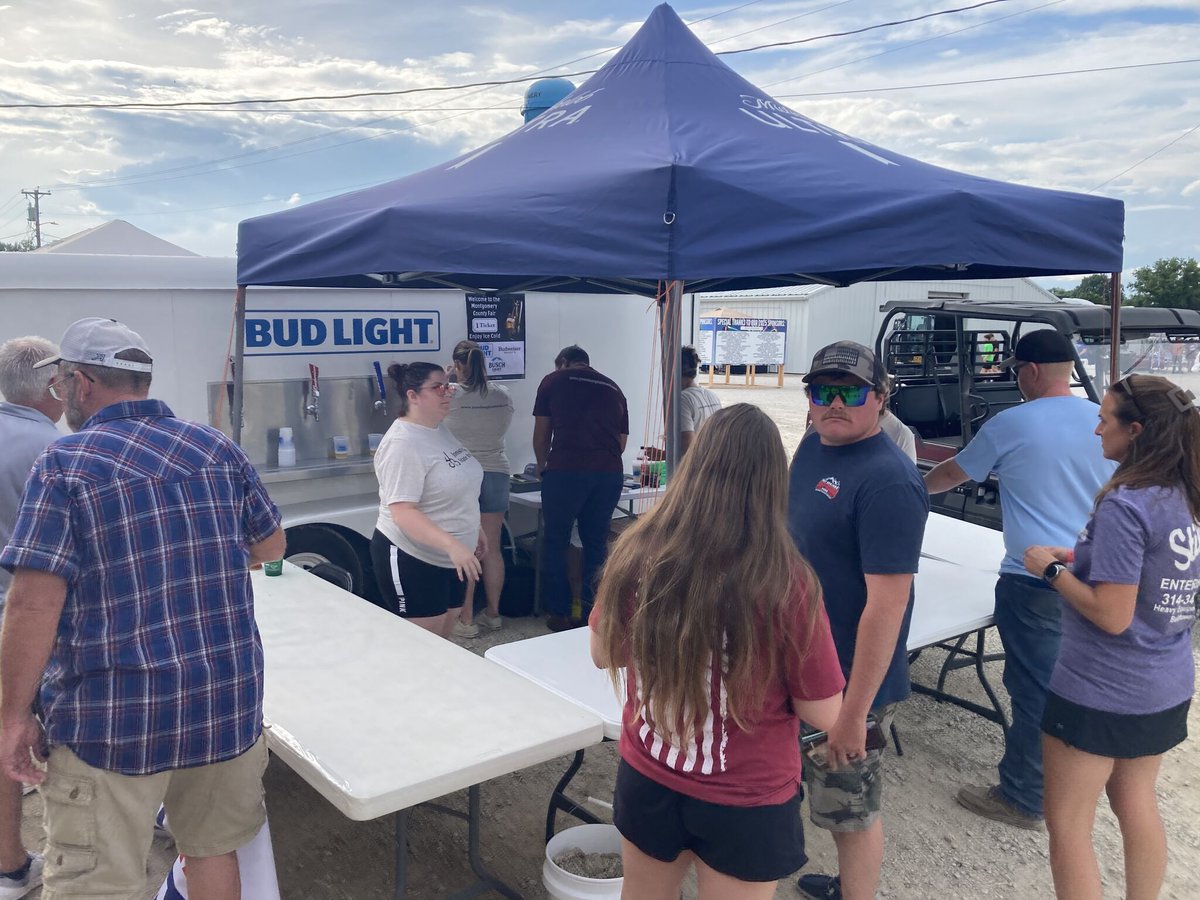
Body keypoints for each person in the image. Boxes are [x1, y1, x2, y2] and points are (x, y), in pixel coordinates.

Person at [0, 317, 285, 899]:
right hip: (224, 703)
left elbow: (32, 606)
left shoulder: (67, 463)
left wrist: (11, 716)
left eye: (60, 386)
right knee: (210, 850)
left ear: (80, 382)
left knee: (96, 881)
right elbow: (271, 545)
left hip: (114, 717)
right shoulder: (214, 446)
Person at [590, 404, 845, 900]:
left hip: (650, 769)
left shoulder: (636, 551)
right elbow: (824, 711)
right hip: (746, 796)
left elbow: (604, 653)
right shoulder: (785, 581)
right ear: (774, 482)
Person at [924, 329, 1114, 830]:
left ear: (1029, 371)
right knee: (1083, 681)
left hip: (1035, 578)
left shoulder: (1013, 422)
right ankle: (1078, 781)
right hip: (1099, 572)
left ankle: (1025, 796)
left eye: (1015, 371)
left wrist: (908, 490)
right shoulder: (1103, 420)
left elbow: (952, 475)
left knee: (1033, 688)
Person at [1023, 374, 1198, 900]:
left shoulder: (1127, 503)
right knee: (1137, 803)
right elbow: (1154, 571)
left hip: (1101, 687)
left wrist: (1049, 572)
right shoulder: (1183, 495)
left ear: (1136, 430)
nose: (1097, 429)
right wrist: (1080, 558)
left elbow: (1112, 615)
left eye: (1105, 419)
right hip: (1164, 683)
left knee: (1070, 826)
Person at [787, 341, 929, 900]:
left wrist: (855, 712)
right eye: (823, 391)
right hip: (799, 660)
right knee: (801, 789)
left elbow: (888, 605)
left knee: (850, 808)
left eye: (851, 391)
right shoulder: (813, 445)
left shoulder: (888, 480)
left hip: (846, 679)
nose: (835, 403)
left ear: (882, 398)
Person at [0, 337, 63, 899]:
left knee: (3, 734)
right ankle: (74, 848)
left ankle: (10, 868)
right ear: (51, 386)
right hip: (28, 622)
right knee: (46, 736)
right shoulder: (50, 448)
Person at [370, 362, 485, 638]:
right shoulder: (402, 443)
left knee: (445, 633)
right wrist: (453, 544)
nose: (447, 393)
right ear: (412, 396)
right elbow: (403, 513)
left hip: (450, 557)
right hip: (412, 554)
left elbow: (457, 485)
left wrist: (475, 528)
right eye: (438, 387)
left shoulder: (437, 429)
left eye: (449, 386)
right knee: (422, 643)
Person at [533, 345, 628, 632]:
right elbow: (621, 443)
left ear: (563, 362)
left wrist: (542, 468)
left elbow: (541, 435)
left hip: (566, 470)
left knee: (555, 541)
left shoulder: (552, 380)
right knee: (596, 543)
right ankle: (593, 611)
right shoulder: (614, 388)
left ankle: (560, 613)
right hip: (608, 474)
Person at [444, 340, 514, 639]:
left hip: (463, 474)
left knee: (467, 548)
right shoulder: (502, 394)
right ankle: (494, 615)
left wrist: (448, 381)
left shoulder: (451, 395)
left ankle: (467, 618)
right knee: (493, 548)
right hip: (497, 471)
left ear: (458, 365)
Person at [680, 345, 720, 453]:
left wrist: (663, 454)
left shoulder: (682, 400)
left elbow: (687, 447)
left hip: (696, 467)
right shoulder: (712, 396)